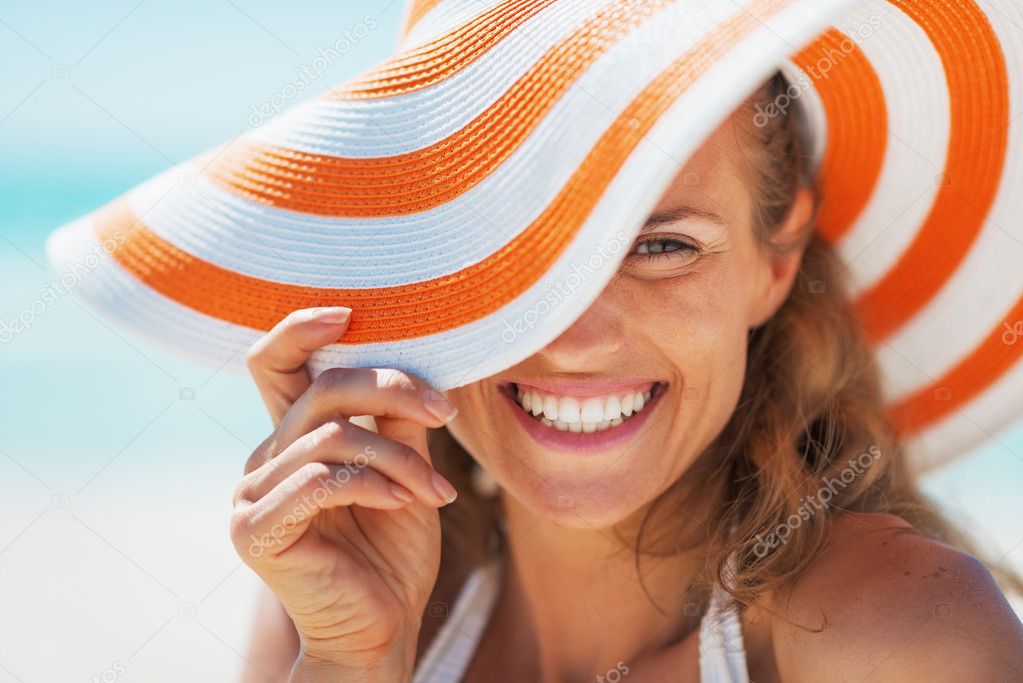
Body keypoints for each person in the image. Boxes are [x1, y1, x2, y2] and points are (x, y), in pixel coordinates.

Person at [231, 72, 1023, 682]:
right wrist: (352, 662)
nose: (574, 339)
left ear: (774, 260)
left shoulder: (891, 631)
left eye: (662, 246)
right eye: (514, 253)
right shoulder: (337, 598)